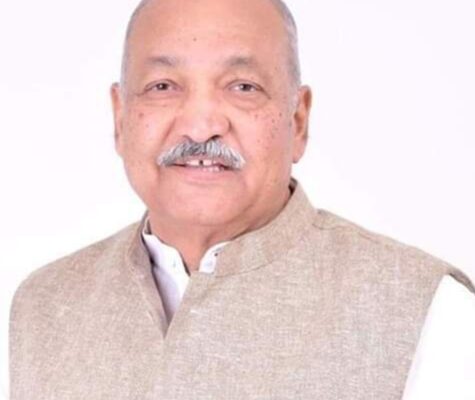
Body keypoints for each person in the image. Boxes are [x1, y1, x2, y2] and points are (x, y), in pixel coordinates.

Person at [9, 0, 475, 399]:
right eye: (163, 86)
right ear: (120, 117)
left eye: (243, 87)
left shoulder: (426, 310)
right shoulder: (45, 306)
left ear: (298, 120)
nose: (200, 125)